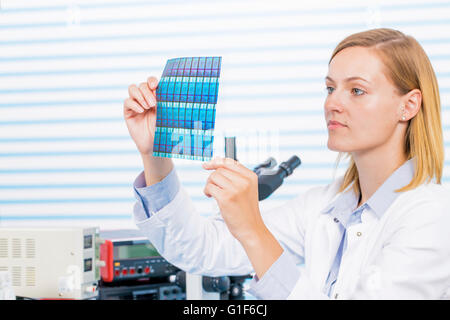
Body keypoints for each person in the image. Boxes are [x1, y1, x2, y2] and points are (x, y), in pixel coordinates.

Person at [123, 28, 450, 299]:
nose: (332, 103)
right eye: (330, 88)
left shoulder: (432, 216)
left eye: (357, 90)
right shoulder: (326, 206)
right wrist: (156, 155)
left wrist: (253, 230)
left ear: (408, 106)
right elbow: (202, 249)